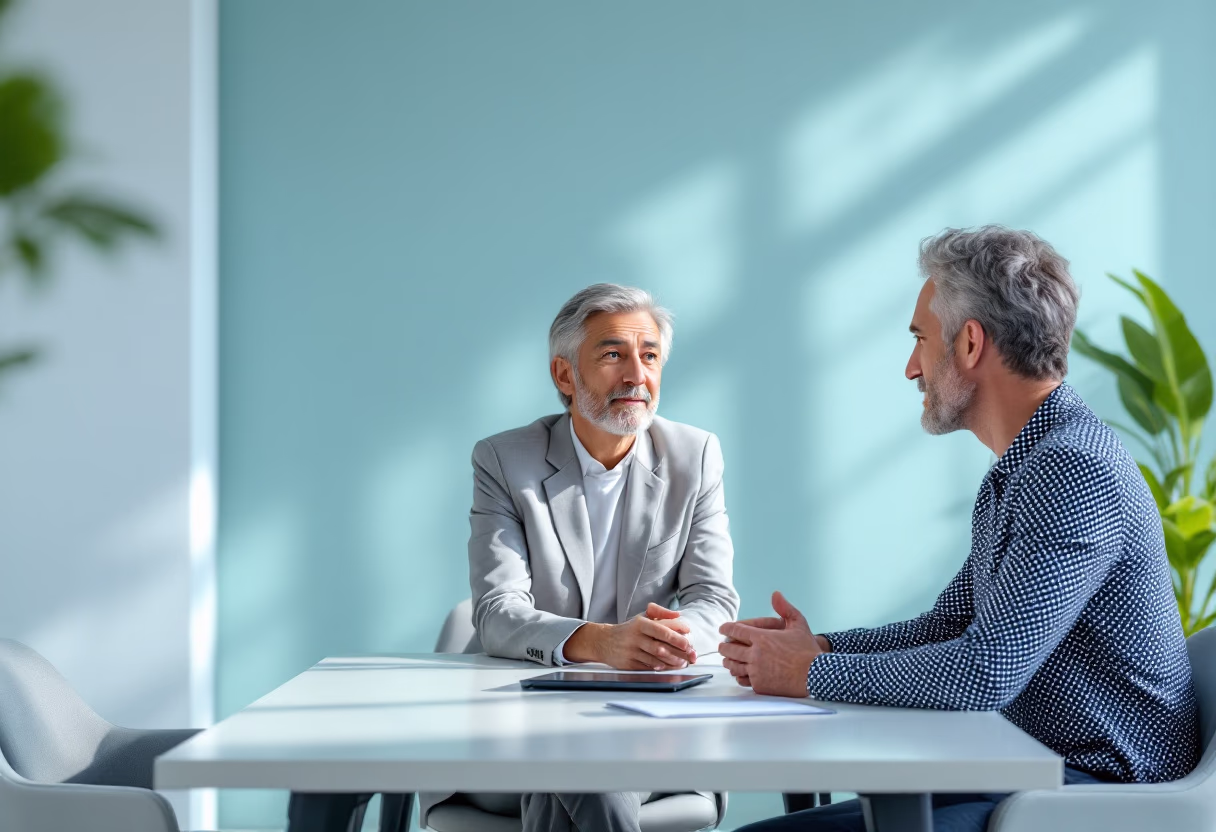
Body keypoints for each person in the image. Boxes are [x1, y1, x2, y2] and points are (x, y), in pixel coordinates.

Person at [720, 226, 1200, 832]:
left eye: (921, 339)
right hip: (1035, 768)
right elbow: (948, 627)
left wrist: (806, 673)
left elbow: (986, 669)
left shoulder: (1073, 468)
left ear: (970, 343)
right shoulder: (1026, 465)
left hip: (1097, 790)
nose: (909, 368)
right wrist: (820, 648)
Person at [418, 283, 740, 832]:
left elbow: (715, 601)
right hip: (517, 726)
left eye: (650, 355)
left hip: (646, 727)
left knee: (577, 770)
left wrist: (667, 641)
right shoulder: (503, 460)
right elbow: (496, 612)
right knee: (584, 769)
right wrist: (603, 642)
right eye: (613, 354)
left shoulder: (695, 455)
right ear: (565, 376)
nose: (637, 375)